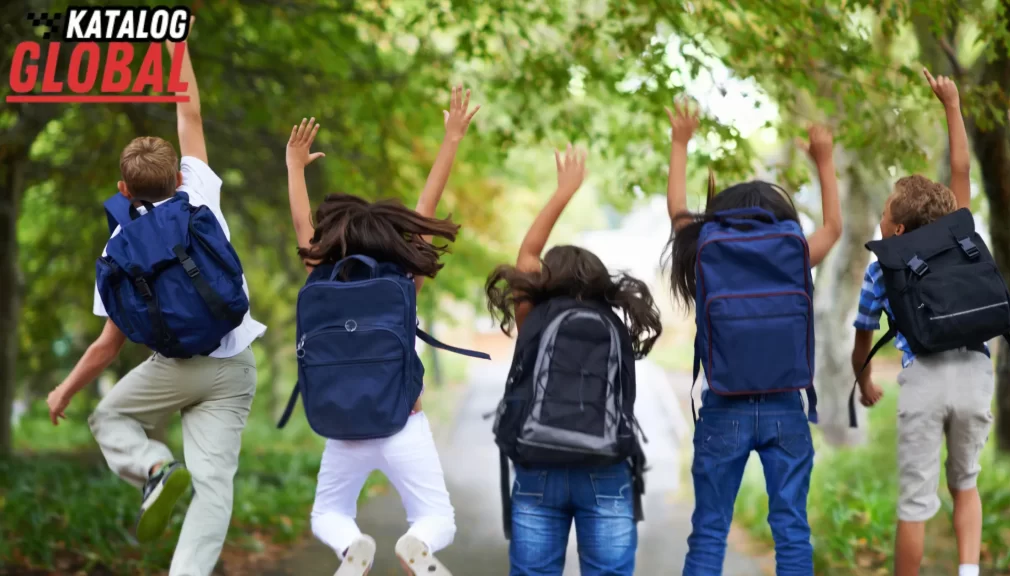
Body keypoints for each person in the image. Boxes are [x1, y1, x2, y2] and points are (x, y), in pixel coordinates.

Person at [45, 21, 266, 576]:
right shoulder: (201, 197)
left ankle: (154, 467)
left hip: (172, 367)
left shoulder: (117, 245)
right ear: (177, 175)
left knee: (109, 418)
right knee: (214, 489)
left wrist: (65, 390)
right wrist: (176, 46)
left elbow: (107, 345)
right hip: (233, 362)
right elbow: (188, 113)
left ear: (123, 190)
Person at [283, 85, 479, 576]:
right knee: (438, 519)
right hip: (401, 419)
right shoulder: (400, 279)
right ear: (395, 237)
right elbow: (427, 205)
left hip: (341, 425)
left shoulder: (319, 277)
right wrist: (451, 138)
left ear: (330, 242)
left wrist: (293, 167)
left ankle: (352, 547)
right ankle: (417, 544)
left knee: (328, 513)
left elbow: (302, 223)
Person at [666, 98, 842, 576]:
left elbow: (679, 212)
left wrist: (680, 142)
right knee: (791, 529)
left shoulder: (705, 248)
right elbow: (834, 227)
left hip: (725, 405)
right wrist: (824, 162)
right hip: (786, 404)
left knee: (709, 531)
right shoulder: (793, 251)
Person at [485, 144, 663, 576]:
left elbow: (527, 253)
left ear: (548, 278)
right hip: (605, 469)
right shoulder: (614, 320)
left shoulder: (535, 314)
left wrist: (564, 191)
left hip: (537, 463)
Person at [851, 70, 990, 576]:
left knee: (914, 502)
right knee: (965, 482)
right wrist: (951, 105)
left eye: (885, 212)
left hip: (924, 379)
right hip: (975, 372)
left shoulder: (880, 268)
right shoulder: (958, 237)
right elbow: (961, 168)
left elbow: (864, 335)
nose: (881, 219)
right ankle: (968, 571)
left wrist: (864, 380)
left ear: (899, 228)